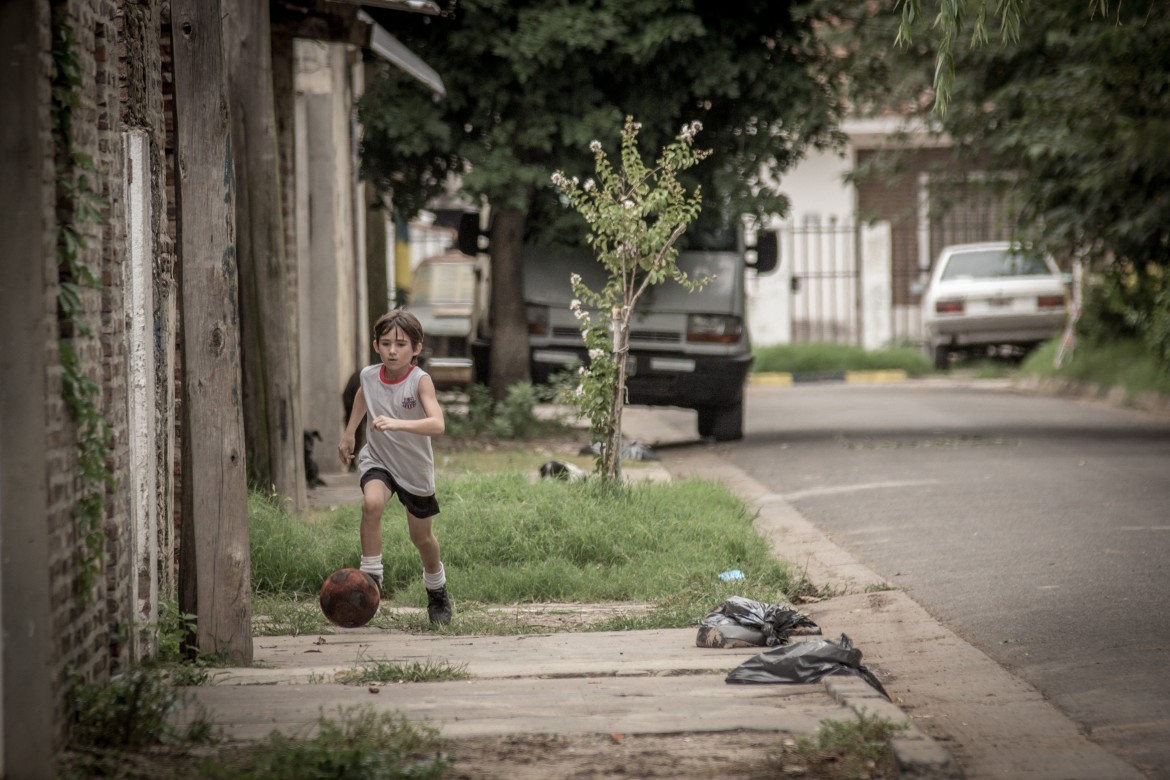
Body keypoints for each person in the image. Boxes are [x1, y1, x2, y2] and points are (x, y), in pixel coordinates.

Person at [339, 310, 453, 625]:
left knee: (422, 539)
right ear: (376, 345)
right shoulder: (368, 375)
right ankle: (371, 578)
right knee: (371, 503)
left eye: (401, 344)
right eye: (386, 343)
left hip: (414, 468)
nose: (392, 350)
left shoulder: (420, 381)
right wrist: (350, 433)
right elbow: (364, 395)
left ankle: (437, 589)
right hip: (379, 458)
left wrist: (398, 423)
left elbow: (438, 424)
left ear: (415, 349)